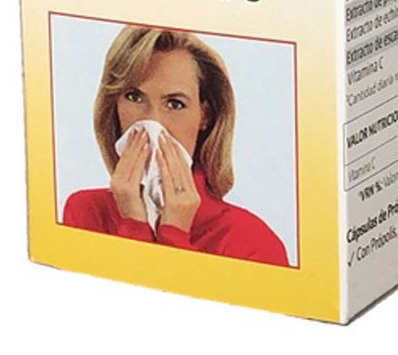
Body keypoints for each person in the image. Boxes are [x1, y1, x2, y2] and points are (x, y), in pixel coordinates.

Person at [63, 26, 289, 267]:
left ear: (205, 116)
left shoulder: (252, 241)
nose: (152, 122)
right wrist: (133, 224)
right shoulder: (85, 212)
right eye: (134, 97)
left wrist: (174, 234)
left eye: (174, 104)